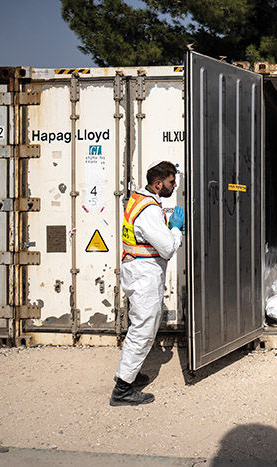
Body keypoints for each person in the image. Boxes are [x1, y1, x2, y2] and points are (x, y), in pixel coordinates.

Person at [110, 160, 185, 406]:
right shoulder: (150, 209)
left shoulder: (139, 199)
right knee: (143, 330)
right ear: (158, 183)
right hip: (145, 275)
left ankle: (129, 375)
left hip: (137, 272)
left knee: (139, 327)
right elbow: (167, 249)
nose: (174, 186)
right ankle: (122, 389)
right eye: (171, 182)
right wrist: (176, 229)